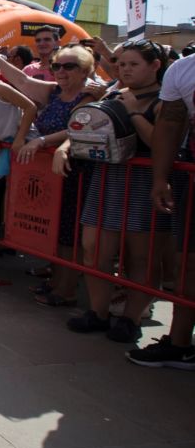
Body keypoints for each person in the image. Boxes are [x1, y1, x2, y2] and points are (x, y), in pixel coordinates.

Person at [55, 40, 168, 342]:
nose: (125, 69)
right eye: (122, 64)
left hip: (146, 184)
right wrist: (65, 147)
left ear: (155, 66)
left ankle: (131, 318)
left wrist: (132, 112)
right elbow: (85, 126)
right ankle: (98, 311)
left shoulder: (167, 100)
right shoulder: (115, 94)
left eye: (134, 64)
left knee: (140, 258)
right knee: (93, 249)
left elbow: (162, 143)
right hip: (107, 179)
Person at [0, 44, 97, 305]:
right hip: (49, 173)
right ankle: (57, 282)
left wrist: (40, 141)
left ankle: (67, 289)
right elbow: (21, 80)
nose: (61, 71)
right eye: (57, 66)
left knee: (70, 234)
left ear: (85, 71)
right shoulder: (53, 93)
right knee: (57, 233)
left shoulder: (91, 97)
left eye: (69, 66)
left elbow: (76, 127)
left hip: (74, 171)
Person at [132, 52, 195, 368]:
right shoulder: (183, 70)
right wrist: (160, 177)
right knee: (189, 263)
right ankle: (181, 342)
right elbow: (171, 123)